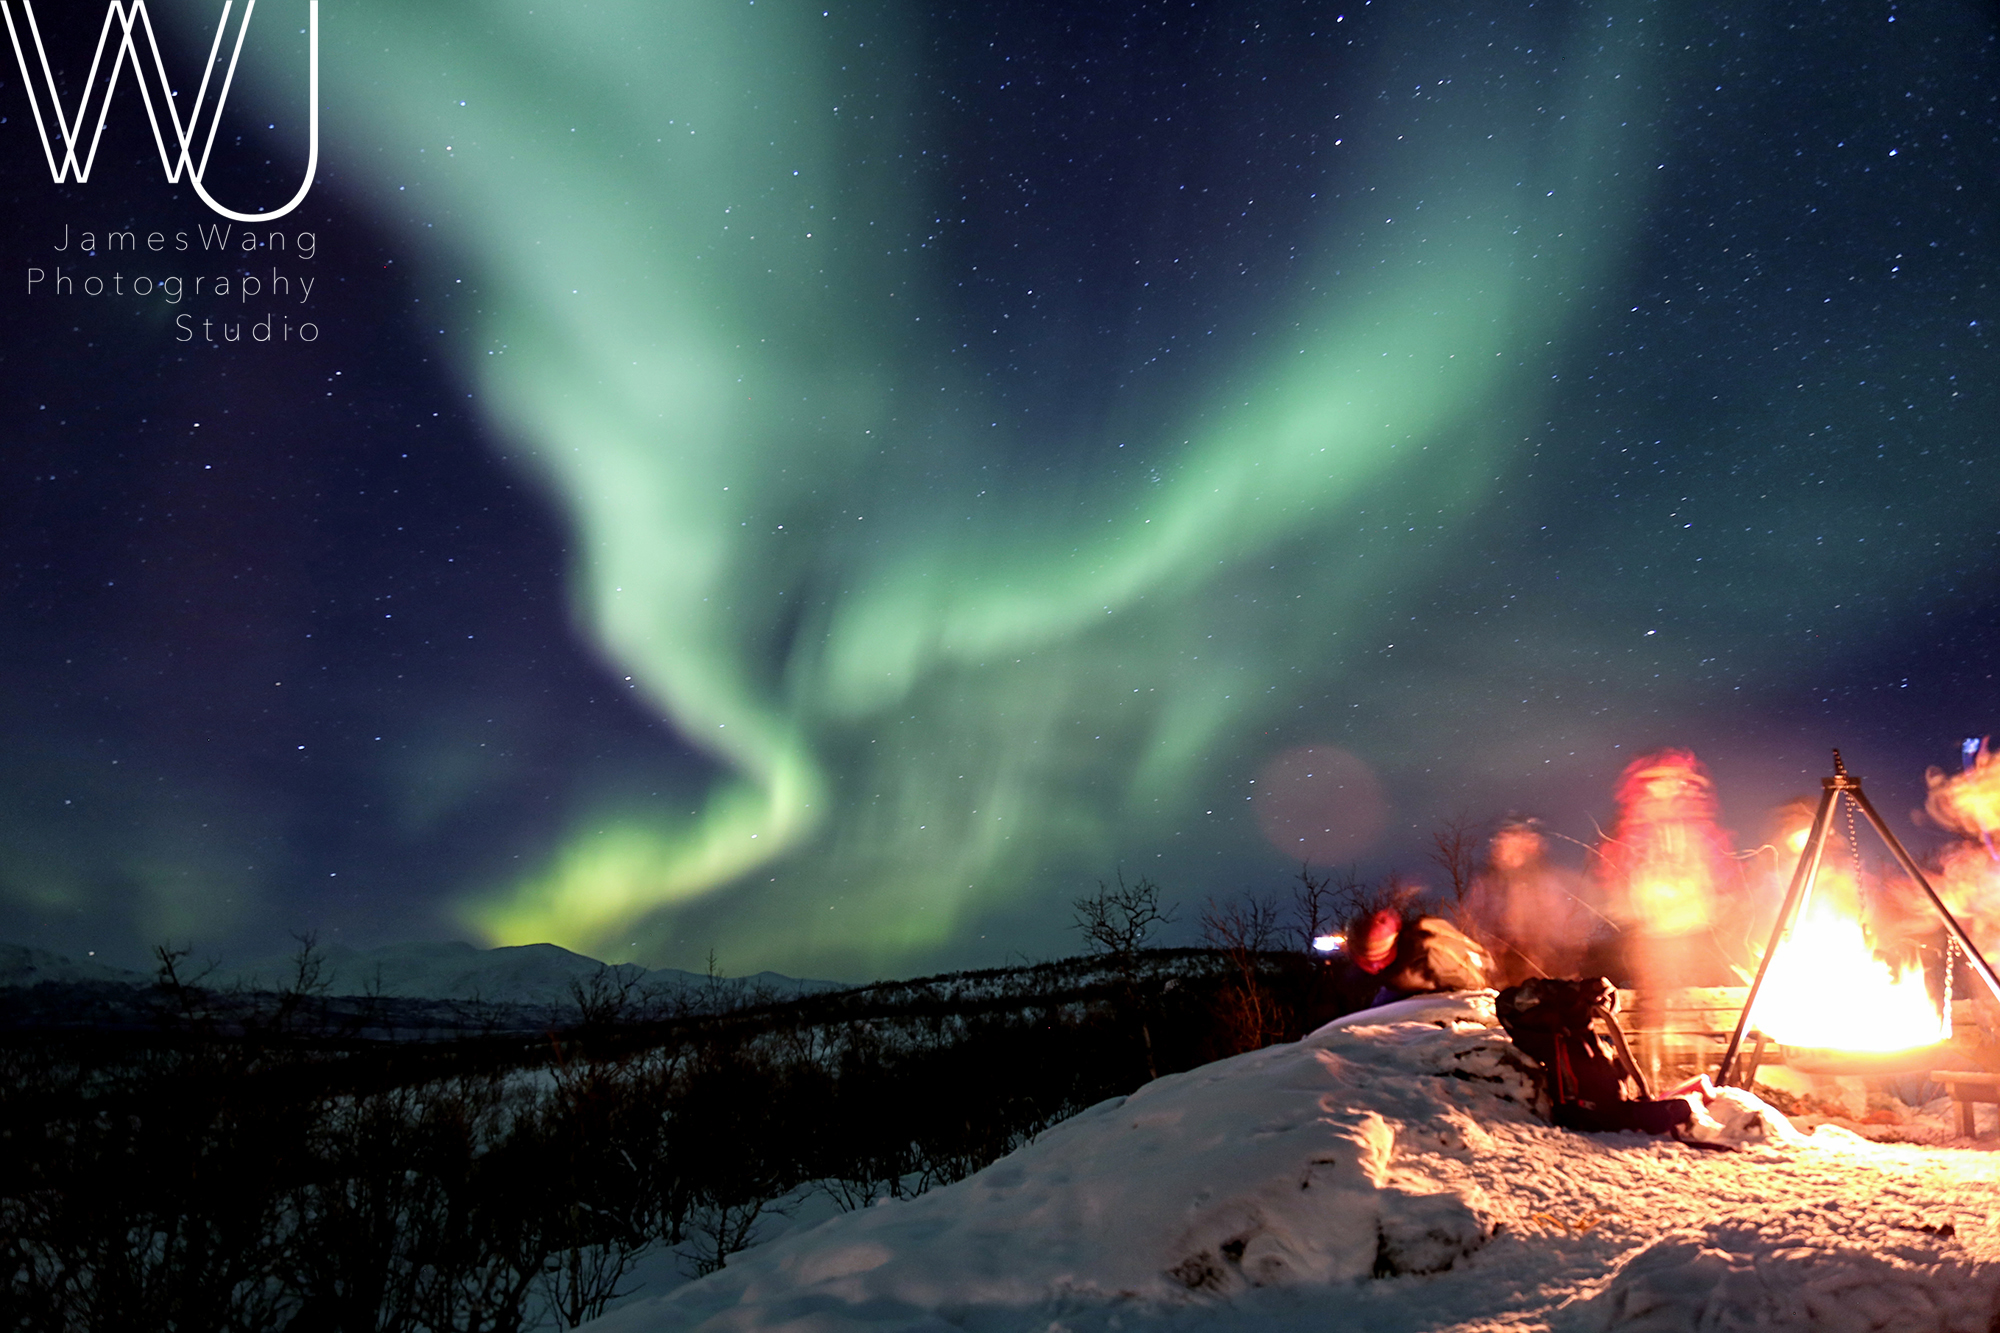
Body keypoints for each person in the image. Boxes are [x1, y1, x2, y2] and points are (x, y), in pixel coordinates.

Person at [1350, 908, 1490, 1004]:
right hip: (1419, 991)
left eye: (1375, 961)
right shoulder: (1398, 968)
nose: (1375, 967)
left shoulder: (1430, 952)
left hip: (1469, 986)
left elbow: (1472, 979)